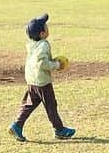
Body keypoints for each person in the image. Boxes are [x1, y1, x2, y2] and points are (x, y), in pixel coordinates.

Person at [8, 13, 75, 142]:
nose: (47, 26)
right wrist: (56, 65)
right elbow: (42, 63)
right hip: (42, 82)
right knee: (51, 106)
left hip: (32, 79)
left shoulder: (32, 44)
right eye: (45, 26)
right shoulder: (43, 45)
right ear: (42, 34)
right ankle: (59, 130)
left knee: (29, 104)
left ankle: (17, 125)